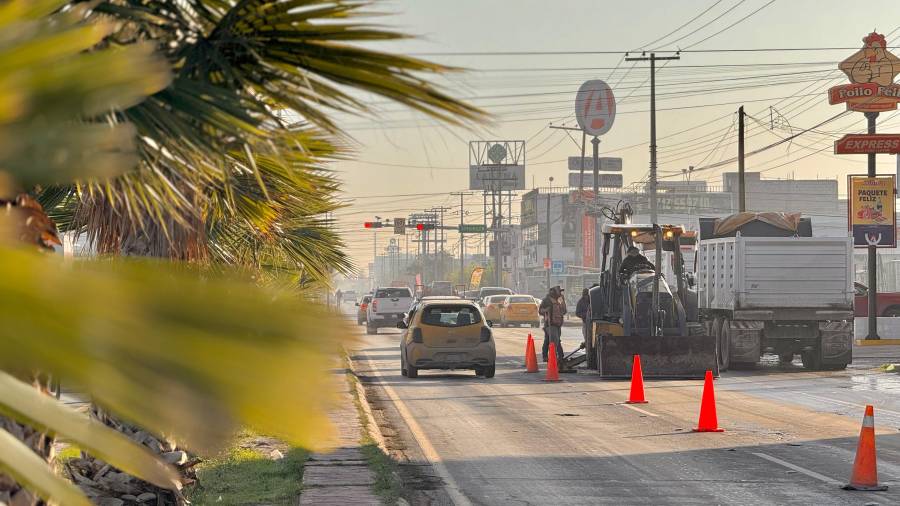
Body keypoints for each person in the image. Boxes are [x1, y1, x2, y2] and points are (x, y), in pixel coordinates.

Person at [545, 286, 567, 364]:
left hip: (558, 323)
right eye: (559, 292)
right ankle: (551, 357)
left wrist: (562, 301)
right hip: (550, 324)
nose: (560, 293)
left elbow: (564, 310)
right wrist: (546, 311)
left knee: (556, 340)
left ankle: (558, 356)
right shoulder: (547, 300)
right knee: (552, 341)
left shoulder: (560, 299)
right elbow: (541, 310)